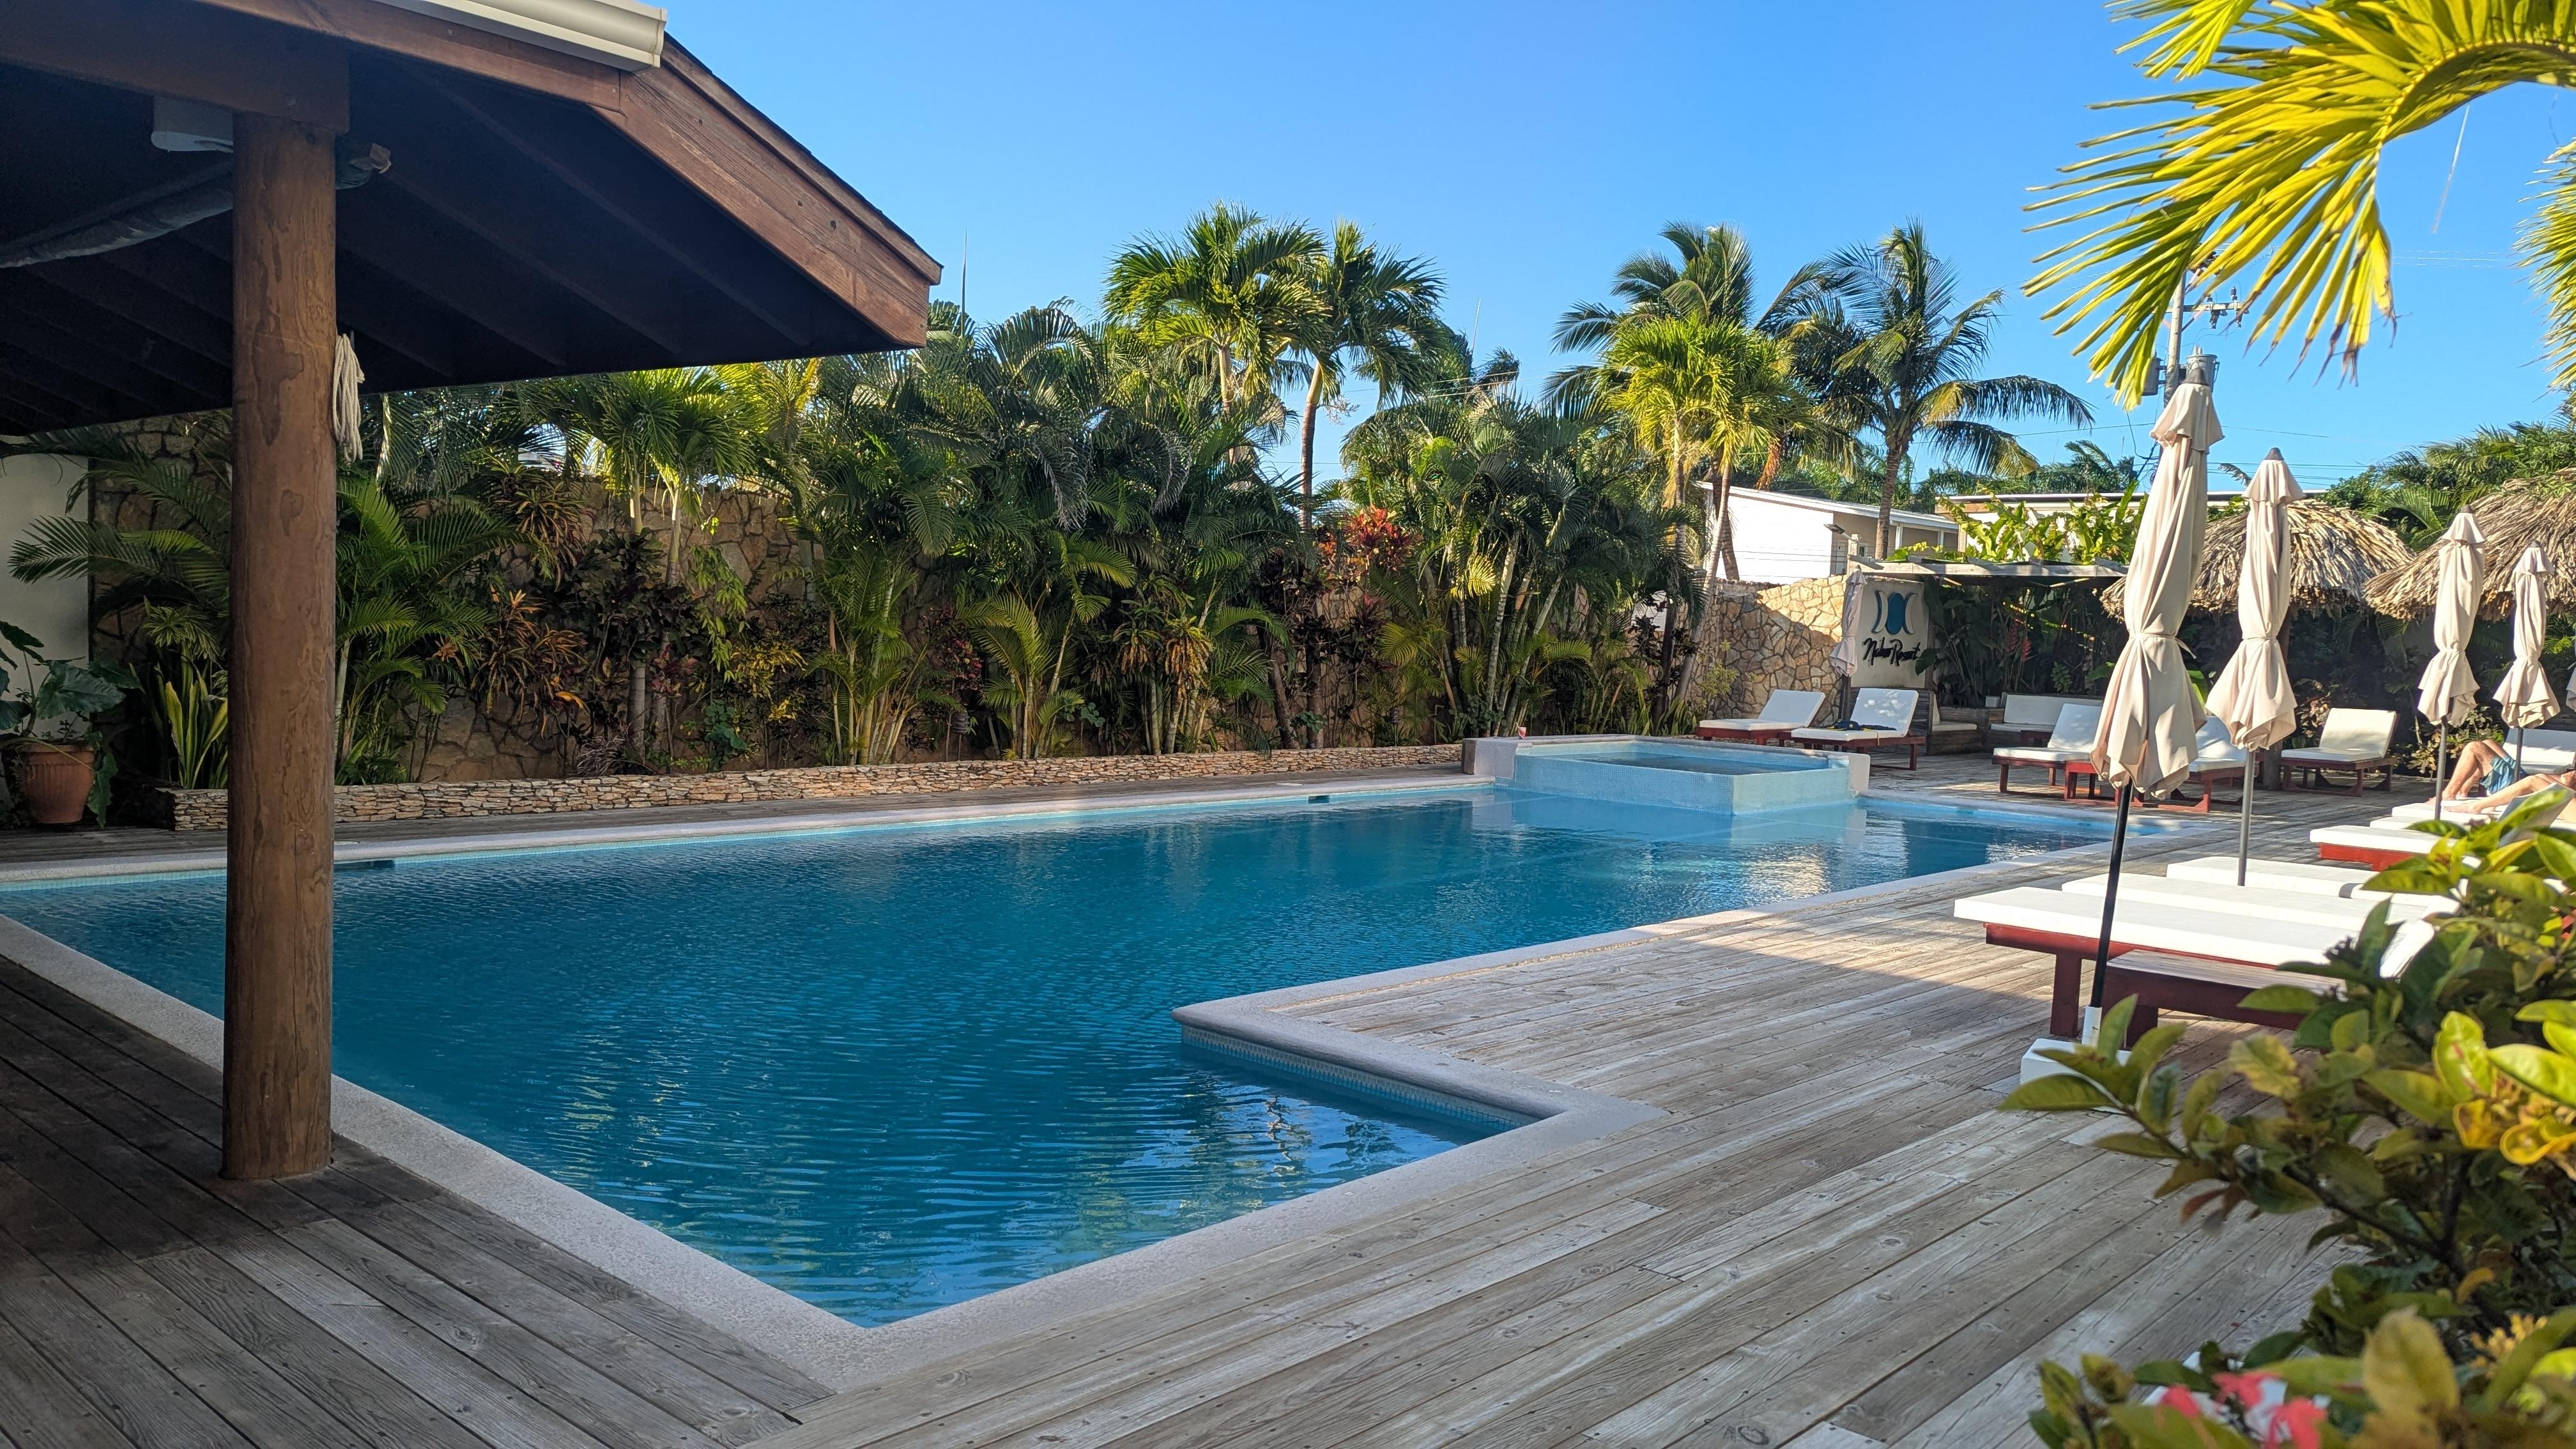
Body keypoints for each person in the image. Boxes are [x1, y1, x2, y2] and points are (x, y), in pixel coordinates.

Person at [2441, 737, 2576, 808]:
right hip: (2522, 777)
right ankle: (2462, 791)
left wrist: (2567, 785)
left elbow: (2563, 801)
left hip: (2513, 787)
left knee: (2474, 747)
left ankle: (2448, 794)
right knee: (2488, 743)